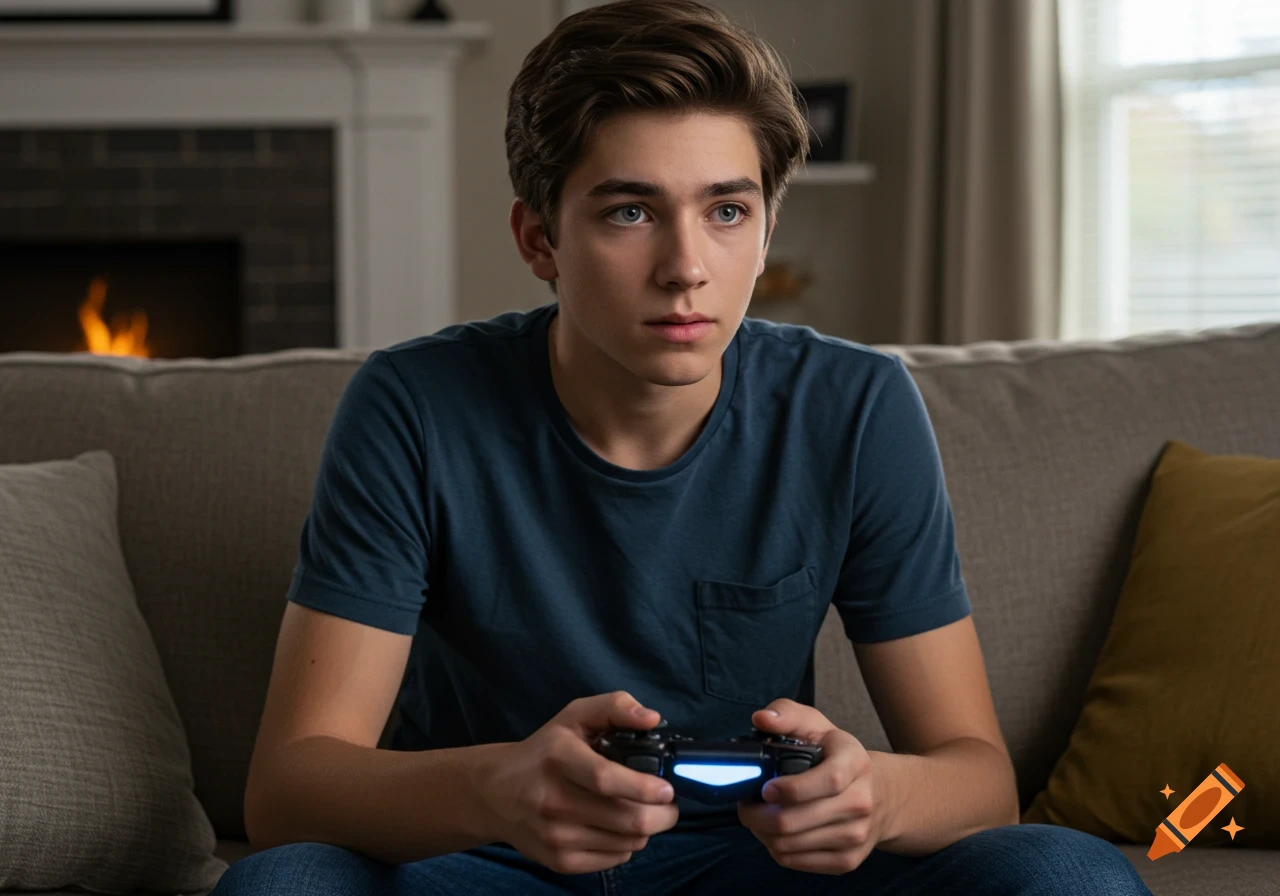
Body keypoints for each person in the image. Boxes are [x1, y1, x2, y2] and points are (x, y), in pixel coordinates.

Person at [211, 1, 1153, 893]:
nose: (687, 267)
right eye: (630, 211)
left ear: (767, 227)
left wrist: (876, 797)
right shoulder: (413, 404)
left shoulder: (857, 406)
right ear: (538, 236)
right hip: (491, 860)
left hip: (758, 866)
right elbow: (290, 789)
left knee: (1069, 875)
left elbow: (980, 782)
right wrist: (494, 787)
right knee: (283, 883)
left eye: (726, 211)